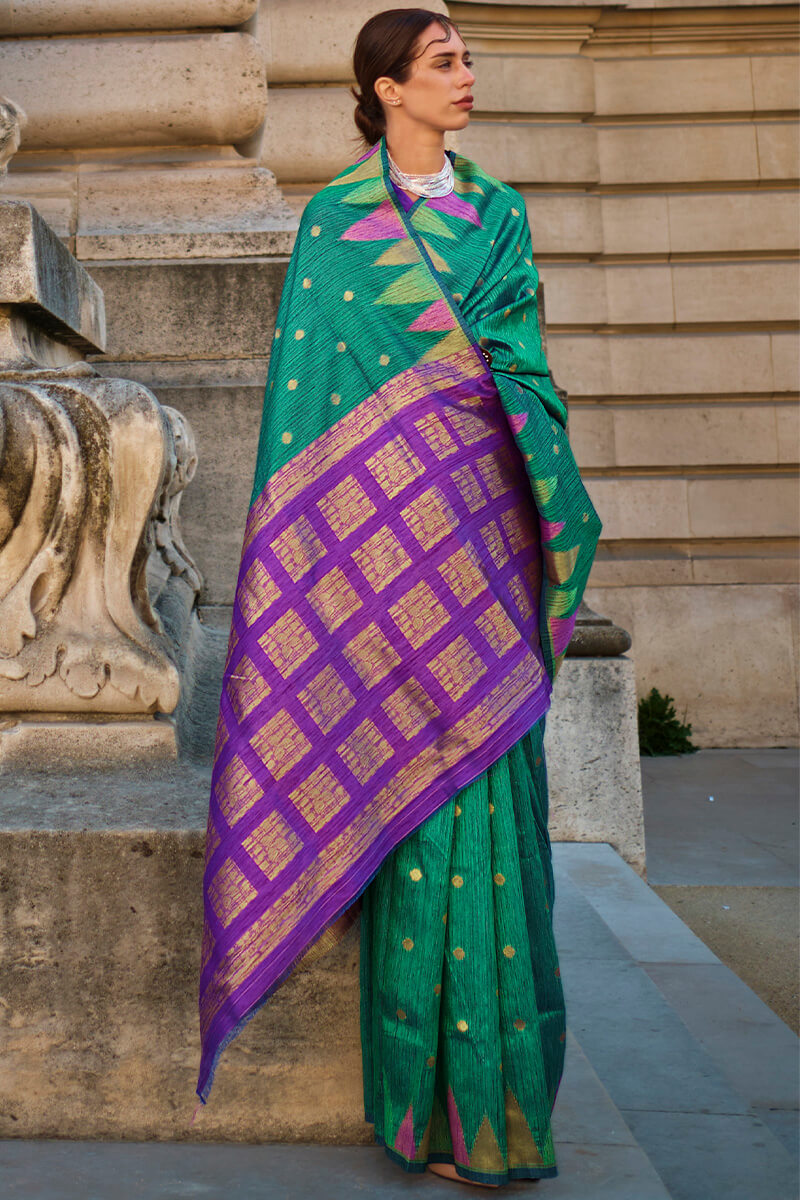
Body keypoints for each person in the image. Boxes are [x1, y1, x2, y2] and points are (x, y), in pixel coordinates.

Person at [196, 8, 602, 1190]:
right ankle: (426, 1117)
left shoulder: (499, 214)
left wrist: (485, 396)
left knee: (493, 814)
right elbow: (305, 414)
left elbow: (525, 364)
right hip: (381, 570)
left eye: (465, 60)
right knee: (415, 817)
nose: (466, 78)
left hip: (481, 535)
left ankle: (504, 1114)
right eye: (443, 64)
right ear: (383, 89)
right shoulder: (335, 223)